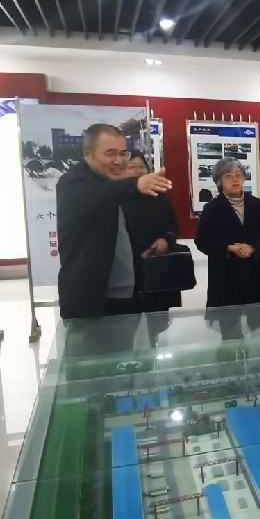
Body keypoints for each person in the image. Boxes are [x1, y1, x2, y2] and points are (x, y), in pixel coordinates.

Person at [56, 124, 172, 354]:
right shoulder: (72, 184)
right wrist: (134, 183)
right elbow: (96, 197)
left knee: (125, 363)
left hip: (128, 295)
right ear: (88, 154)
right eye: (110, 154)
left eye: (123, 153)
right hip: (91, 300)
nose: (119, 161)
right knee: (91, 368)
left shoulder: (117, 186)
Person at [194, 158, 260, 338]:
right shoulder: (212, 209)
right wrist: (228, 247)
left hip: (256, 270)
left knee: (259, 323)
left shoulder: (256, 204)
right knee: (230, 326)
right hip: (226, 274)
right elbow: (202, 241)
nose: (235, 179)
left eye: (238, 175)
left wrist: (253, 247)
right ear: (219, 181)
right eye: (228, 176)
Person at [120, 151, 182, 344]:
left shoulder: (158, 195)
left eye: (142, 167)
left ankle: (154, 345)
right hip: (129, 268)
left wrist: (165, 240)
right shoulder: (118, 197)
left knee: (157, 318)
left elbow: (173, 225)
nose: (138, 171)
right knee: (129, 322)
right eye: (132, 167)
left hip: (157, 267)